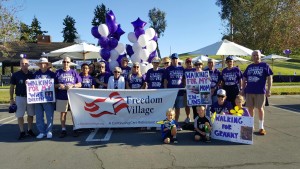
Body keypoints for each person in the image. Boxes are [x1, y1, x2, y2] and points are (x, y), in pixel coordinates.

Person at [242, 50, 273, 135]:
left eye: (257, 55)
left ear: (260, 56)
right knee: (250, 109)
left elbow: (269, 78)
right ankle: (251, 126)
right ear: (252, 57)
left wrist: (269, 89)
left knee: (260, 108)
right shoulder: (249, 67)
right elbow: (244, 79)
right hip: (249, 91)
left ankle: (261, 127)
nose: (255, 57)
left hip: (260, 91)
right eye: (254, 55)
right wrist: (242, 89)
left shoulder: (265, 65)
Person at [55, 56, 82, 138]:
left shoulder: (74, 72)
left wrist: (73, 85)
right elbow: (53, 85)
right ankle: (63, 129)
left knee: (74, 113)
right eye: (64, 62)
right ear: (62, 63)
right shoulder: (57, 72)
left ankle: (75, 128)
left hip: (72, 96)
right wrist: (59, 85)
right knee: (63, 114)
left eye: (67, 62)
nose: (66, 63)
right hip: (62, 96)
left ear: (70, 63)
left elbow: (80, 84)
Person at [10, 58, 36, 140]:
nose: (24, 65)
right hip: (20, 97)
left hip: (31, 97)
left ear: (28, 64)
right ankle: (22, 131)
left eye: (25, 63)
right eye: (22, 63)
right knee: (20, 115)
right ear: (20, 64)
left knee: (31, 114)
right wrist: (11, 98)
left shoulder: (32, 74)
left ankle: (29, 129)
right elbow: (12, 87)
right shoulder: (16, 75)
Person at [34, 58, 56, 139]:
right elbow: (31, 85)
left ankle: (49, 131)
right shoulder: (36, 74)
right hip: (37, 98)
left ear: (47, 65)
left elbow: (56, 84)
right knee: (39, 116)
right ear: (39, 65)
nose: (42, 65)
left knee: (49, 115)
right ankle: (42, 131)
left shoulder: (52, 74)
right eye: (41, 63)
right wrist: (28, 82)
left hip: (48, 98)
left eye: (44, 63)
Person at [164, 53, 185, 131]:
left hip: (179, 91)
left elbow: (184, 79)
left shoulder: (182, 68)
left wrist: (184, 87)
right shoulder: (168, 69)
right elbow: (165, 80)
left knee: (178, 108)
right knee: (170, 108)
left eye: (176, 58)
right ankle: (169, 123)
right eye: (173, 59)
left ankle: (176, 123)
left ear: (178, 59)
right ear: (171, 60)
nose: (174, 60)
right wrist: (166, 90)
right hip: (171, 92)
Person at [183, 58, 196, 123]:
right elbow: (183, 79)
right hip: (186, 89)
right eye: (187, 62)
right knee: (187, 105)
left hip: (195, 89)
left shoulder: (195, 69)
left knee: (195, 104)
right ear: (185, 63)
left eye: (190, 62)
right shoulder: (184, 70)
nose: (189, 63)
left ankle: (196, 117)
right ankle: (188, 117)